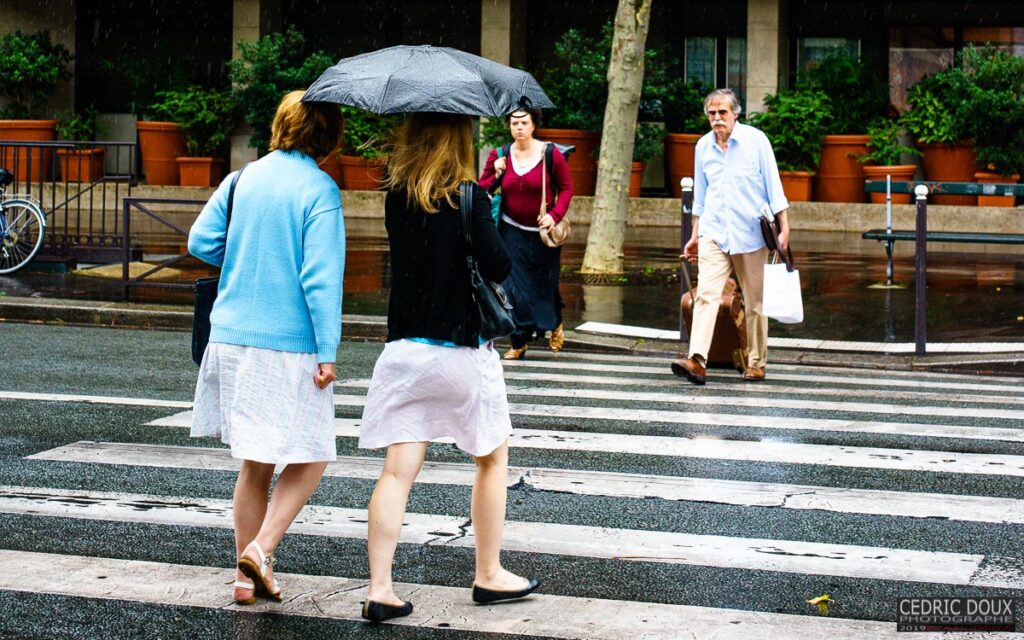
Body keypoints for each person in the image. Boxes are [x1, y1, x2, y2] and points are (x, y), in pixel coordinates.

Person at [358, 112, 540, 623]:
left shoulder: (397, 195)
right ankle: (488, 573)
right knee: (490, 458)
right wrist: (491, 205)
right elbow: (500, 264)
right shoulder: (469, 195)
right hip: (460, 349)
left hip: (404, 352)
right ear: (461, 138)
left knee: (397, 472)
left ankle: (379, 588)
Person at [187, 90, 344, 605]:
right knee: (314, 453)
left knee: (255, 462)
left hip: (230, 333)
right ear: (326, 134)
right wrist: (327, 352)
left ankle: (244, 577)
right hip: (288, 343)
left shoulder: (243, 178)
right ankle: (262, 547)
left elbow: (200, 242)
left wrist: (249, 251)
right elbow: (320, 280)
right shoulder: (319, 189)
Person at [671, 88, 790, 385]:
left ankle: (756, 361)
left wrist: (784, 226)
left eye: (722, 112)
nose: (717, 118)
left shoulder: (756, 141)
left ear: (736, 113)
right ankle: (697, 360)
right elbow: (702, 194)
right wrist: (695, 234)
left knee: (755, 302)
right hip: (714, 231)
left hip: (751, 233)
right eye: (711, 113)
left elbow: (773, 185)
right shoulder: (702, 147)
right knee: (707, 296)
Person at [478, 107, 573, 360]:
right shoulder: (500, 155)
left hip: (544, 233)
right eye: (514, 123)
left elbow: (566, 189)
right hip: (511, 230)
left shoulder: (550, 154)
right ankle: (519, 341)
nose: (519, 127)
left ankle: (554, 322)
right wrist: (495, 173)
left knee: (544, 284)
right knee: (512, 286)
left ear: (533, 126)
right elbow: (481, 190)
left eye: (524, 123)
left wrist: (554, 215)